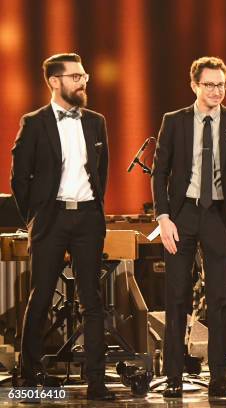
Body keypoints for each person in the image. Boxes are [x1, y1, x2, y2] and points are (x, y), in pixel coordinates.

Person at [11, 53, 114, 401]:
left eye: (84, 75)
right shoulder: (34, 122)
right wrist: (35, 217)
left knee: (92, 301)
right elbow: (19, 179)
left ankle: (97, 382)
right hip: (51, 218)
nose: (83, 81)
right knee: (39, 298)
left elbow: (102, 171)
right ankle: (27, 377)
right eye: (75, 76)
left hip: (87, 218)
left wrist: (96, 210)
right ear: (54, 81)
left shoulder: (96, 121)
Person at [151, 56, 226, 398]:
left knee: (220, 299)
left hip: (218, 217)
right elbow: (160, 173)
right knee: (177, 296)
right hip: (183, 215)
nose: (216, 91)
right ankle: (174, 378)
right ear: (194, 85)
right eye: (209, 84)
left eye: (221, 84)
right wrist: (163, 217)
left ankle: (220, 378)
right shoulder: (175, 121)